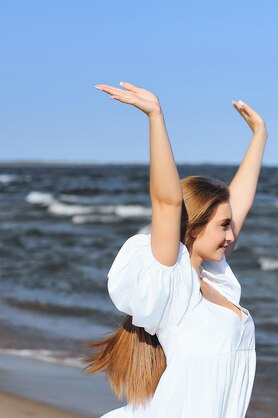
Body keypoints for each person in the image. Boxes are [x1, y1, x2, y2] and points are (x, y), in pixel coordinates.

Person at [83, 81, 267, 418]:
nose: (231, 234)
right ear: (194, 228)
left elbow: (237, 202)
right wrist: (155, 116)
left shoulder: (217, 279)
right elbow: (168, 202)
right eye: (223, 226)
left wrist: (259, 137)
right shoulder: (173, 283)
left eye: (230, 224)